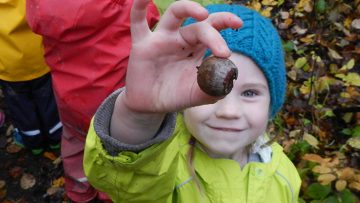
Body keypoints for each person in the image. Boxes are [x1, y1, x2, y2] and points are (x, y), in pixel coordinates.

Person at [84, 0, 301, 202]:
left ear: (272, 104)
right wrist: (139, 116)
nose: (228, 111)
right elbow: (128, 182)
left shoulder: (286, 177)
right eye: (208, 92)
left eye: (250, 93)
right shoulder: (161, 165)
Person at [25, 0, 159, 202]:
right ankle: (108, 193)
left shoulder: (41, 4)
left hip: (69, 98)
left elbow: (34, 21)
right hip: (113, 101)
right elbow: (150, 17)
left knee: (75, 142)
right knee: (114, 151)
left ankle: (79, 190)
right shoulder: (120, 4)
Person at [0, 0, 62, 155]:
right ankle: (57, 138)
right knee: (48, 99)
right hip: (39, 55)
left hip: (8, 64)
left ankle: (34, 143)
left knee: (20, 105)